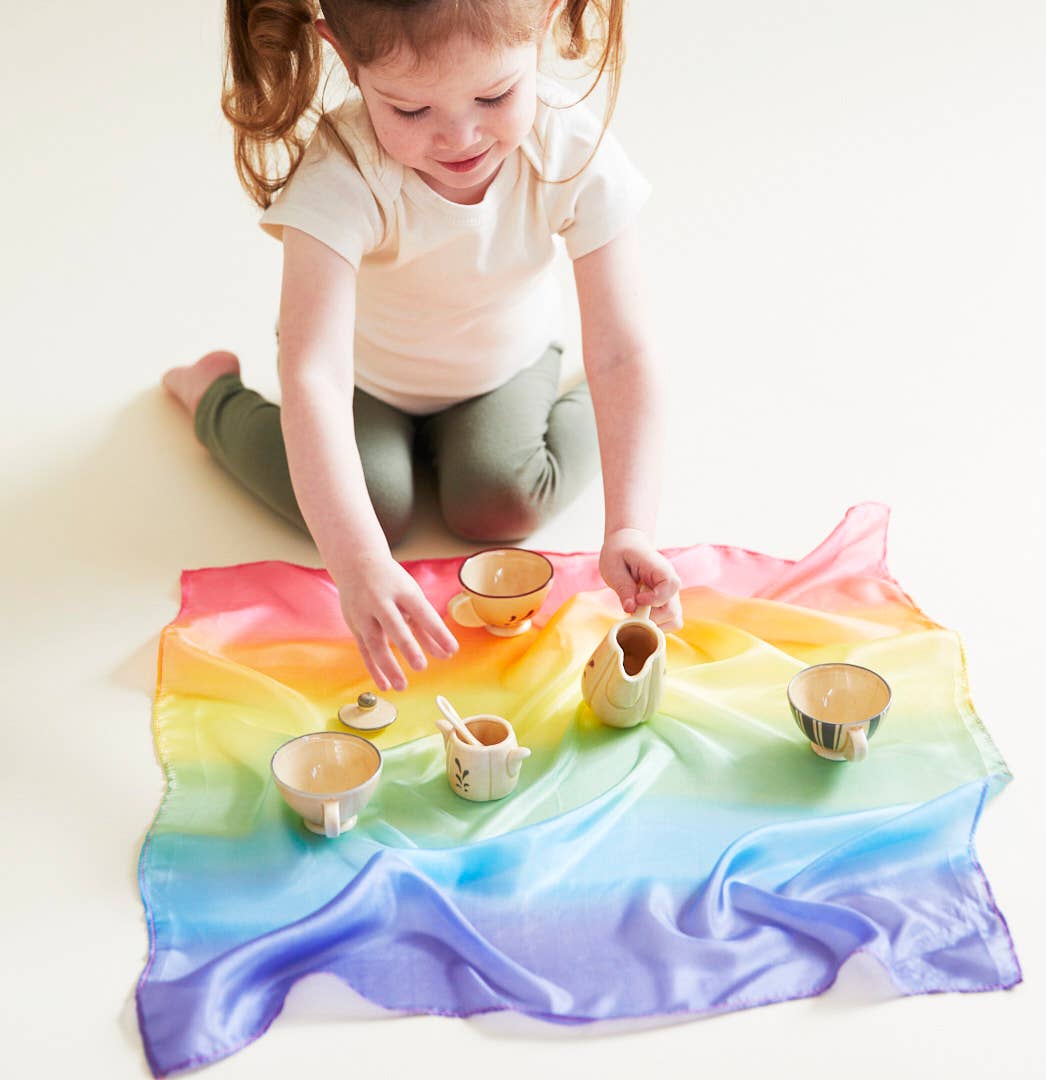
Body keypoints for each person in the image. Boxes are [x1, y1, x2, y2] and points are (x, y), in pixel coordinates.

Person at [164, 0, 682, 692]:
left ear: (546, 24)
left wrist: (629, 530)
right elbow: (314, 375)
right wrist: (359, 565)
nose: (460, 136)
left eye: (495, 94)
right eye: (410, 111)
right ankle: (213, 397)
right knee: (375, 510)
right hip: (364, 379)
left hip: (505, 366)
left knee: (499, 503)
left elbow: (621, 351)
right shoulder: (344, 172)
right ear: (346, 59)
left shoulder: (570, 149)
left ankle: (576, 404)